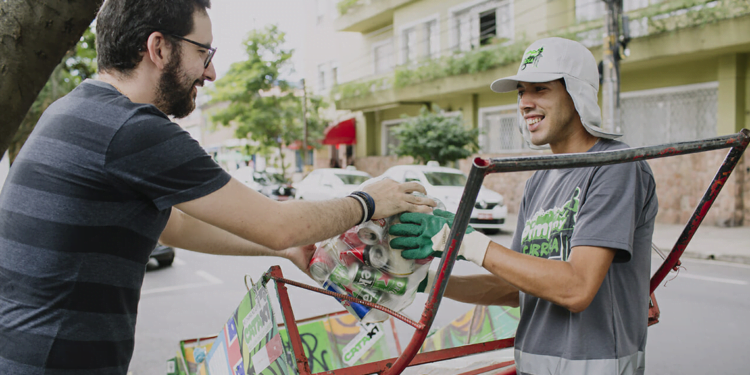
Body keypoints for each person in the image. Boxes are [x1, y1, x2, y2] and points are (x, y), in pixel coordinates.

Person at [0, 1, 435, 374]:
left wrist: (283, 251)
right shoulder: (132, 129)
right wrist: (370, 200)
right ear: (158, 48)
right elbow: (278, 223)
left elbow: (176, 227)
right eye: (203, 52)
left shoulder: (74, 109)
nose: (210, 71)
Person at [390, 37, 658, 375]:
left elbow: (576, 288)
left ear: (577, 95)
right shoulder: (538, 182)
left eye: (540, 89)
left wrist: (465, 241)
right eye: (521, 92)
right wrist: (426, 281)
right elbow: (517, 288)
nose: (525, 103)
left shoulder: (615, 166)